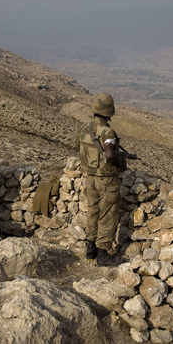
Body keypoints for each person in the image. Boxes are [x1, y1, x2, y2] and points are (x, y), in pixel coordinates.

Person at [75, 93, 126, 267]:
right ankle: (103, 255)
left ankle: (90, 251)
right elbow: (110, 153)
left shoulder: (85, 128)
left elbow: (79, 147)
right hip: (106, 180)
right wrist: (118, 165)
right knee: (108, 215)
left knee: (93, 212)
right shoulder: (108, 132)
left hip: (90, 178)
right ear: (110, 111)